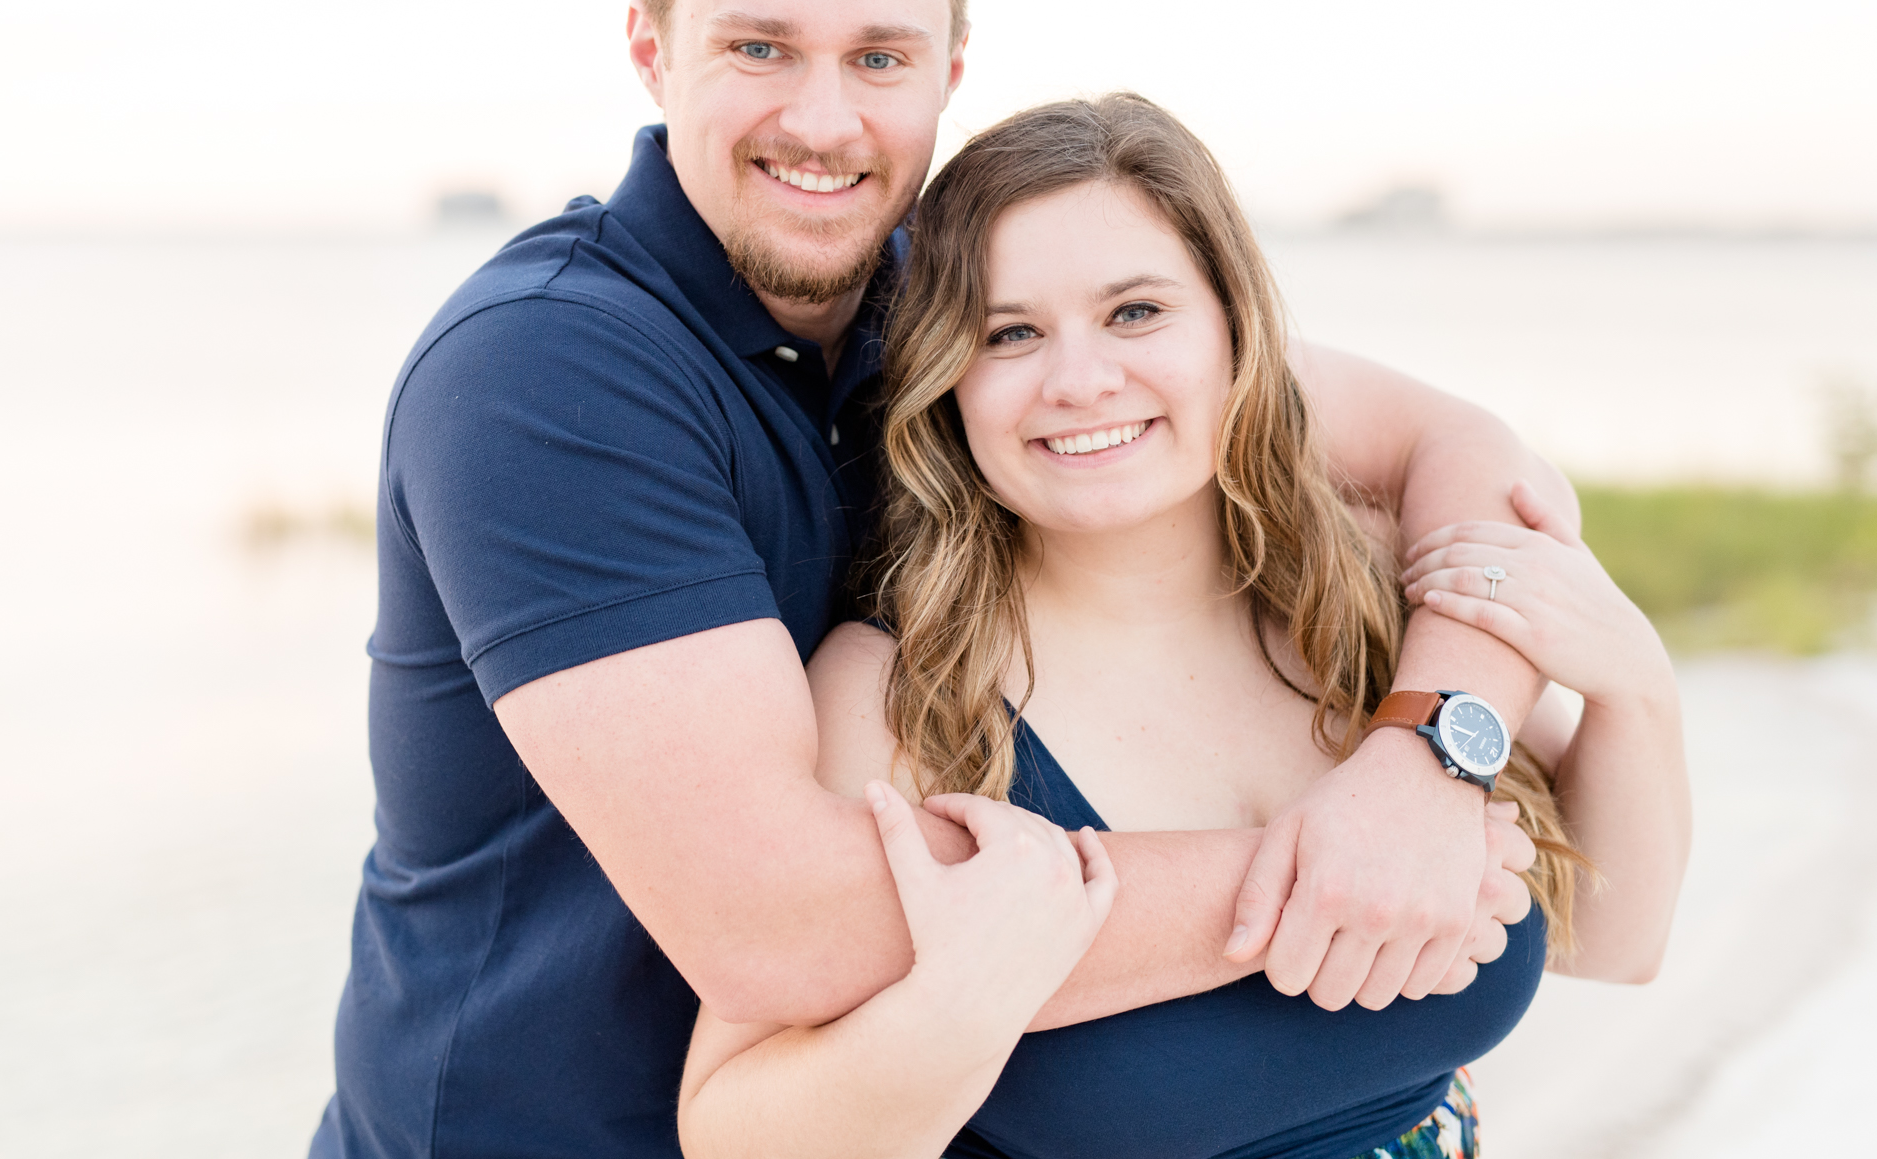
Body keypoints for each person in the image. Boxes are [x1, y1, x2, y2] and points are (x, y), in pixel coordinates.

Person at [311, 0, 1584, 1157]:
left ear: (949, 68)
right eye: (758, 47)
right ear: (650, 48)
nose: (823, 115)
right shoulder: (546, 370)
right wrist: (1342, 869)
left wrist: (1424, 760)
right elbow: (778, 923)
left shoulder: (972, 302)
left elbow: (1468, 453)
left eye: (879, 56)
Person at [674, 95, 1692, 1159]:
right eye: (1008, 332)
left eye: (1134, 312)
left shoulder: (1364, 590)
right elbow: (734, 1130)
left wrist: (1635, 690)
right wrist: (967, 996)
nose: (1079, 381)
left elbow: (1612, 940)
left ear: (1236, 329)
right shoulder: (896, 693)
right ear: (946, 379)